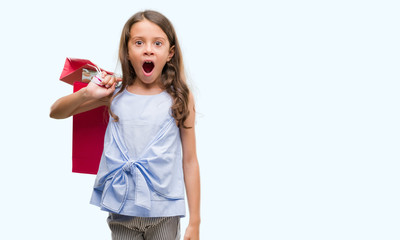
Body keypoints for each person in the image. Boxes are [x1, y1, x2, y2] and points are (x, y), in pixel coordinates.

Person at [50, 10, 200, 240]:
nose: (148, 49)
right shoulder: (115, 93)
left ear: (170, 53)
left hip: (164, 212)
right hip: (121, 209)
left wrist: (195, 222)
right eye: (139, 42)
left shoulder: (180, 97)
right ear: (128, 52)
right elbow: (55, 112)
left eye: (157, 43)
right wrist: (86, 94)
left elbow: (189, 160)